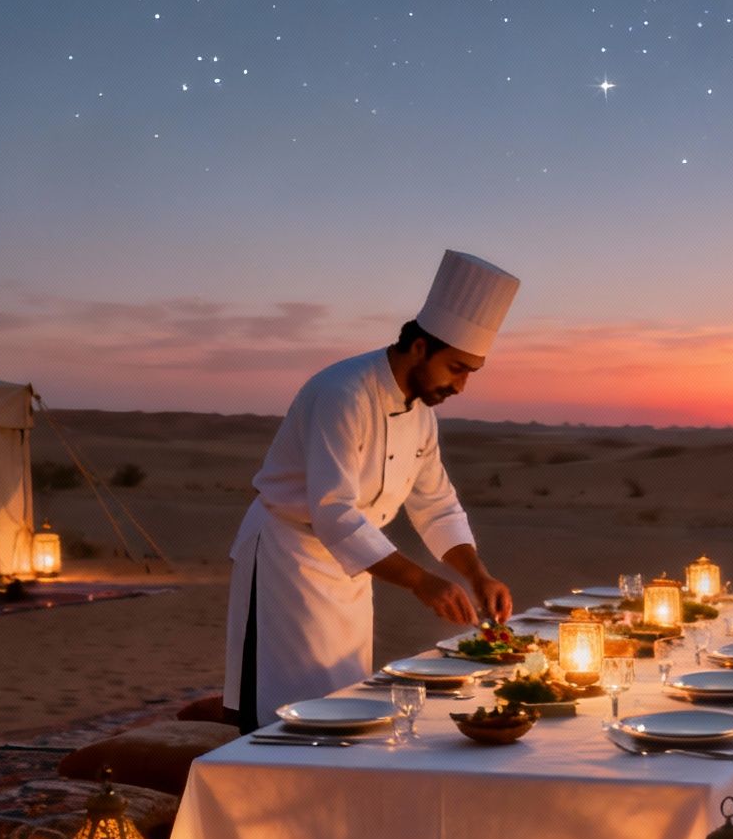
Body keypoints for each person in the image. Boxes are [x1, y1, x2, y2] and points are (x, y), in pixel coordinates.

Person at [223, 250, 520, 730]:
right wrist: (421, 581)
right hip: (290, 561)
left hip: (356, 568)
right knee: (288, 712)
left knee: (344, 702)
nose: (461, 386)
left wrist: (476, 574)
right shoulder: (344, 393)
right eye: (458, 368)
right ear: (420, 347)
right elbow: (335, 512)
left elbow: (437, 504)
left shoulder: (421, 413)